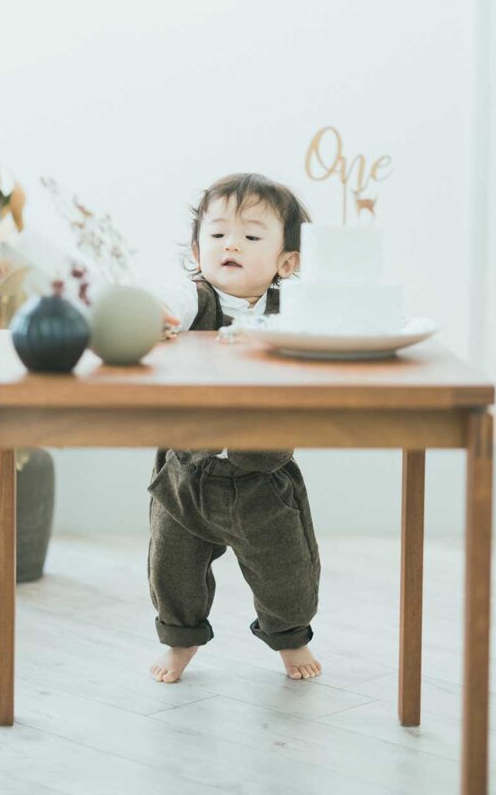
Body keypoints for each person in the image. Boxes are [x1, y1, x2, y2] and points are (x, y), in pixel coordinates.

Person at [146, 172, 322, 683]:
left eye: (251, 236)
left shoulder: (291, 313)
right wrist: (155, 315)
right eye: (218, 234)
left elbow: (318, 334)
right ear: (198, 251)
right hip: (186, 472)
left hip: (263, 475)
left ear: (286, 261)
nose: (231, 245)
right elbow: (169, 302)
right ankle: (180, 641)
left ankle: (289, 639)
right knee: (172, 570)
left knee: (287, 573)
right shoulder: (191, 302)